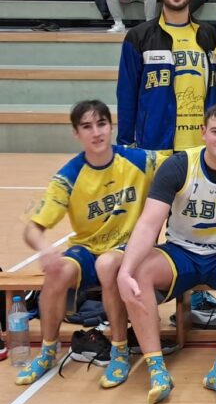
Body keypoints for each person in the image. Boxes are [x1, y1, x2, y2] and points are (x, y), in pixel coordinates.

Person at [116, 104, 216, 404]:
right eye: (215, 131)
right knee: (136, 270)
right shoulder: (178, 165)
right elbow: (149, 222)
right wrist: (125, 270)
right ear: (203, 133)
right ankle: (156, 367)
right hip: (181, 251)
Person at [15, 100, 161, 385]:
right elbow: (31, 229)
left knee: (108, 265)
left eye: (101, 124)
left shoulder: (140, 160)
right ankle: (47, 351)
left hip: (129, 248)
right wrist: (46, 251)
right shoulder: (68, 176)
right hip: (88, 249)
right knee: (57, 272)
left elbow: (188, 159)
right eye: (87, 127)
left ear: (111, 127)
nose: (96, 132)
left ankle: (119, 350)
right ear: (76, 133)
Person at [116, 0, 216, 153]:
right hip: (155, 149)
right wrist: (125, 145)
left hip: (202, 149)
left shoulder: (209, 35)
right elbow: (127, 95)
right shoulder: (138, 36)